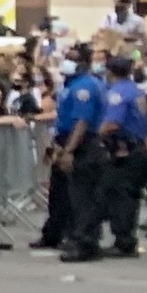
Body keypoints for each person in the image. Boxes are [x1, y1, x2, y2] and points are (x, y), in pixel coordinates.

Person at [38, 47, 104, 252]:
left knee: (80, 195)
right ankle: (54, 233)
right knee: (58, 192)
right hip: (64, 139)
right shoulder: (69, 84)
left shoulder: (86, 86)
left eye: (72, 59)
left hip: (80, 143)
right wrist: (54, 145)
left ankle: (82, 239)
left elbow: (82, 122)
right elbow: (62, 118)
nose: (66, 62)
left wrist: (69, 151)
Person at [95, 51, 147, 256]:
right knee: (128, 196)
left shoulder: (118, 93)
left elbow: (111, 123)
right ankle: (125, 239)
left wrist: (95, 135)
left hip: (126, 150)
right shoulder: (135, 90)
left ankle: (124, 241)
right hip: (137, 148)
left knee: (119, 195)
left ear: (109, 71)